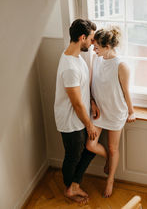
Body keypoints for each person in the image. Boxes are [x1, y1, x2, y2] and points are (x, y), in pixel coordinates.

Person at [54, 18, 100, 205]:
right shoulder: (70, 67)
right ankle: (69, 188)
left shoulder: (77, 58)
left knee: (89, 149)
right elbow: (76, 103)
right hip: (70, 120)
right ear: (82, 38)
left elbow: (82, 91)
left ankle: (74, 183)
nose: (93, 43)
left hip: (81, 118)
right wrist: (89, 125)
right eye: (91, 39)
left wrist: (92, 101)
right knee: (73, 156)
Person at [86, 26, 136, 198]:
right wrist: (92, 102)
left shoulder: (121, 66)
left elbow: (125, 91)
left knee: (114, 148)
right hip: (99, 112)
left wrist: (131, 111)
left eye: (97, 46)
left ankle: (110, 180)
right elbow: (91, 83)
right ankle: (108, 158)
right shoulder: (96, 59)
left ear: (107, 46)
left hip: (116, 112)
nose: (94, 49)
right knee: (90, 145)